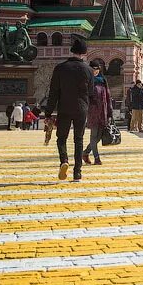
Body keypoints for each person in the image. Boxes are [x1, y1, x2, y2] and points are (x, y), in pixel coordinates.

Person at [46, 37, 96, 182]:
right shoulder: (88, 70)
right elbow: (91, 93)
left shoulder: (60, 68)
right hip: (81, 109)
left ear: (72, 51)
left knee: (61, 138)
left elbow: (54, 92)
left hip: (64, 108)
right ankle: (77, 173)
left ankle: (64, 161)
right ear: (84, 53)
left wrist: (48, 112)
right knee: (78, 140)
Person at [83, 61, 112, 166]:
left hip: (103, 112)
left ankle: (85, 152)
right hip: (92, 112)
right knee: (94, 135)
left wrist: (110, 111)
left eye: (97, 69)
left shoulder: (103, 80)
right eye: (93, 69)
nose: (95, 71)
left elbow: (108, 97)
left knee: (99, 136)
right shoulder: (87, 81)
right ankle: (97, 158)